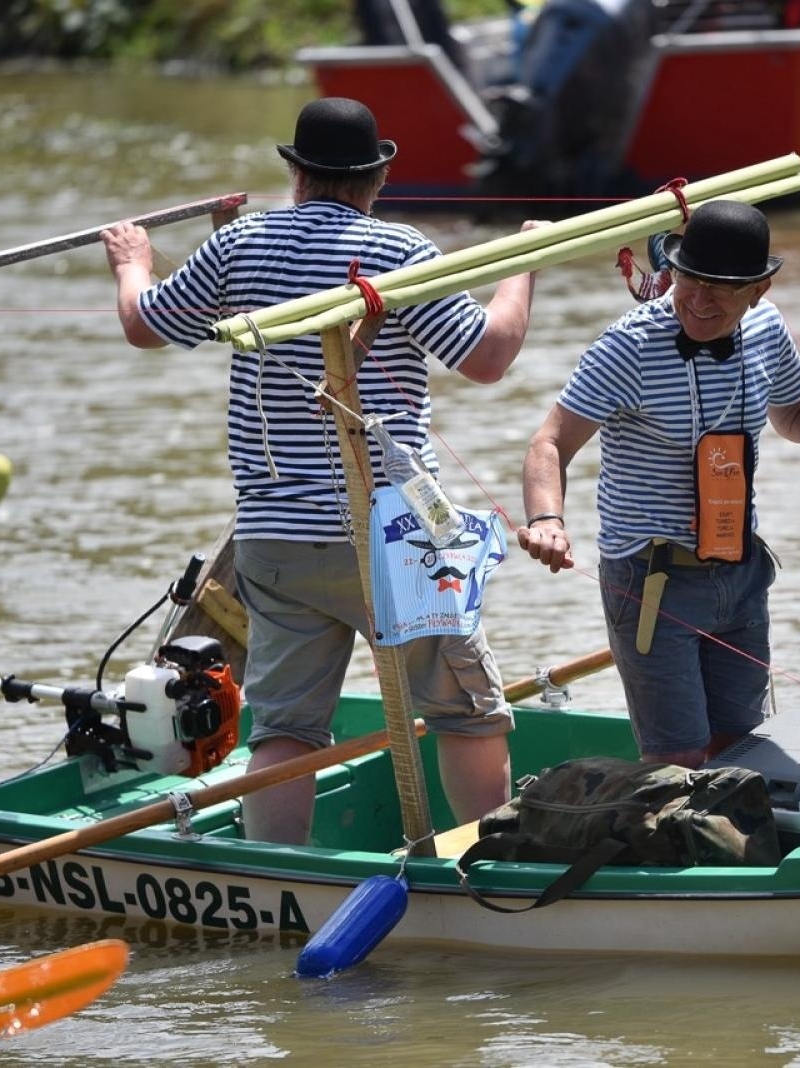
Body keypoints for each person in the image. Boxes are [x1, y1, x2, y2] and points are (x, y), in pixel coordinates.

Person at [101, 96, 541, 844]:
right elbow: (488, 356)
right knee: (464, 710)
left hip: (275, 539)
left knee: (285, 727)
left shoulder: (241, 245)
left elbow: (145, 323)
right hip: (390, 531)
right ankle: (491, 874)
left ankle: (282, 878)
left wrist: (134, 263)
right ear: (380, 176)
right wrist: (522, 265)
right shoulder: (399, 250)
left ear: (295, 172)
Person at [517, 200, 800, 769]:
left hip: (741, 570)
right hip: (652, 580)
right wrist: (548, 521)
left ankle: (739, 848)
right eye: (689, 280)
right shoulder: (628, 346)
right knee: (681, 761)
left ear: (759, 289)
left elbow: (796, 417)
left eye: (719, 288)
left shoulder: (768, 329)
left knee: (742, 747)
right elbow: (549, 443)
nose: (696, 300)